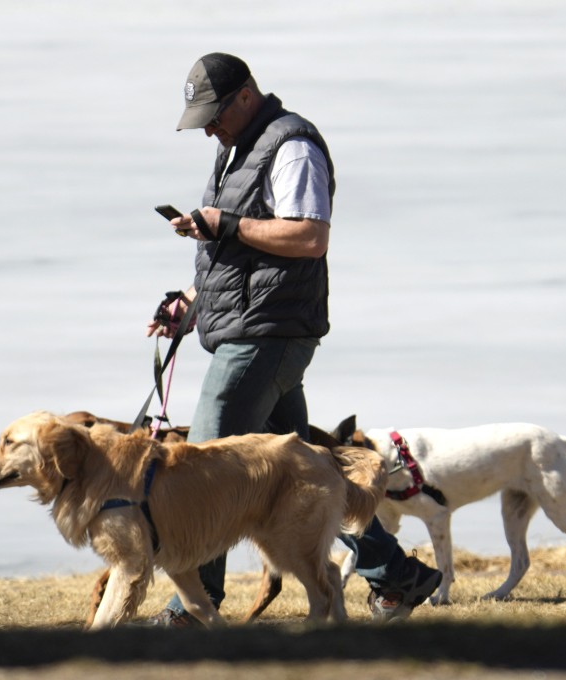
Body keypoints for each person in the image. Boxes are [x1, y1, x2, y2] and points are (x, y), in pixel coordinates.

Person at [144, 53, 441, 626]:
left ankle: (192, 610)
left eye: (212, 114)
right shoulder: (235, 149)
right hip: (252, 326)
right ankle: (397, 576)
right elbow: (233, 253)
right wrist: (190, 303)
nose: (207, 127)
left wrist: (223, 223)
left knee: (206, 459)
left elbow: (310, 236)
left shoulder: (291, 145)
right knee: (309, 471)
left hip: (269, 333)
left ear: (246, 96)